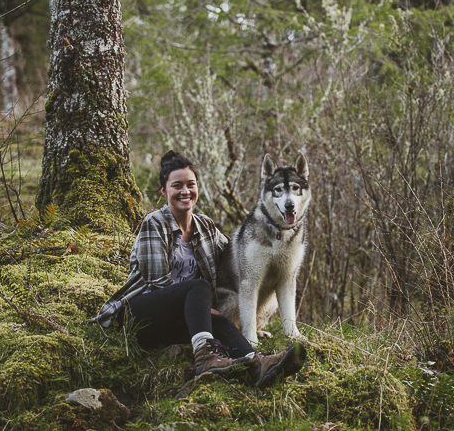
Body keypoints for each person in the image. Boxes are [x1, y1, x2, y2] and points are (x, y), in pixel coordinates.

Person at [91, 150, 305, 387]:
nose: (185, 191)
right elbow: (156, 284)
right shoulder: (155, 223)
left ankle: (258, 366)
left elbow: (236, 253)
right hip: (141, 315)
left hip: (180, 321)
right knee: (199, 288)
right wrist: (202, 305)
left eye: (190, 184)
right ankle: (206, 358)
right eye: (177, 185)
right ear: (164, 190)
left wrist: (264, 233)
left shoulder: (206, 227)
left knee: (222, 321)